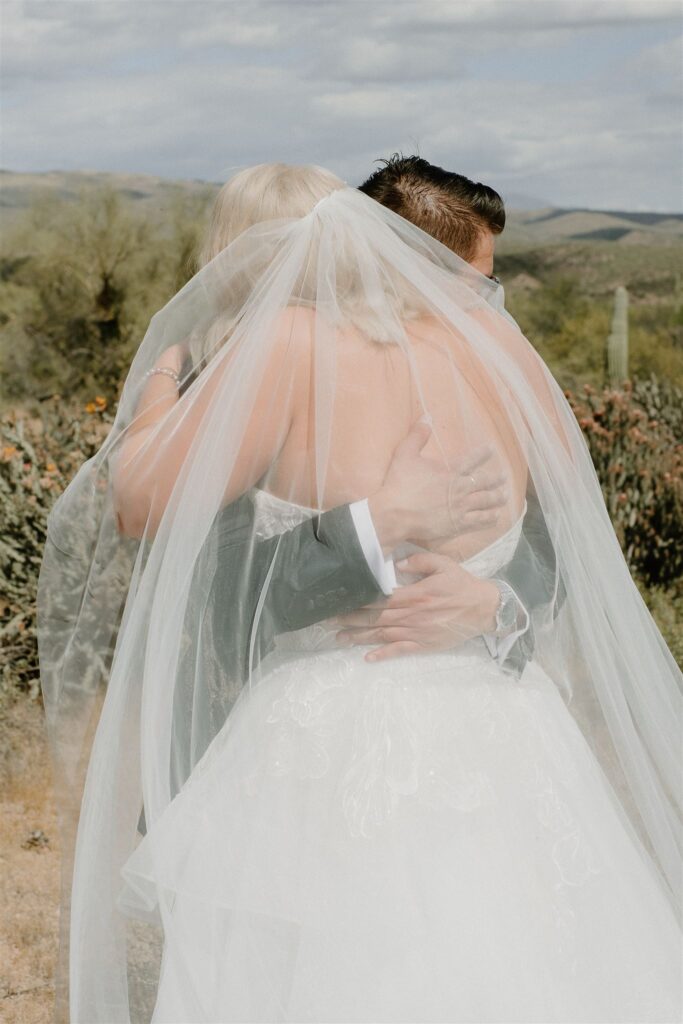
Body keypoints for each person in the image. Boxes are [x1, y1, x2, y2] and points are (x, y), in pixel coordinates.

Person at [38, 164, 681, 1023]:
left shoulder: (290, 344)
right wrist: (489, 599)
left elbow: (136, 502)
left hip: (324, 734)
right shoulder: (508, 358)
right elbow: (570, 545)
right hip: (507, 734)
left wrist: (162, 378)